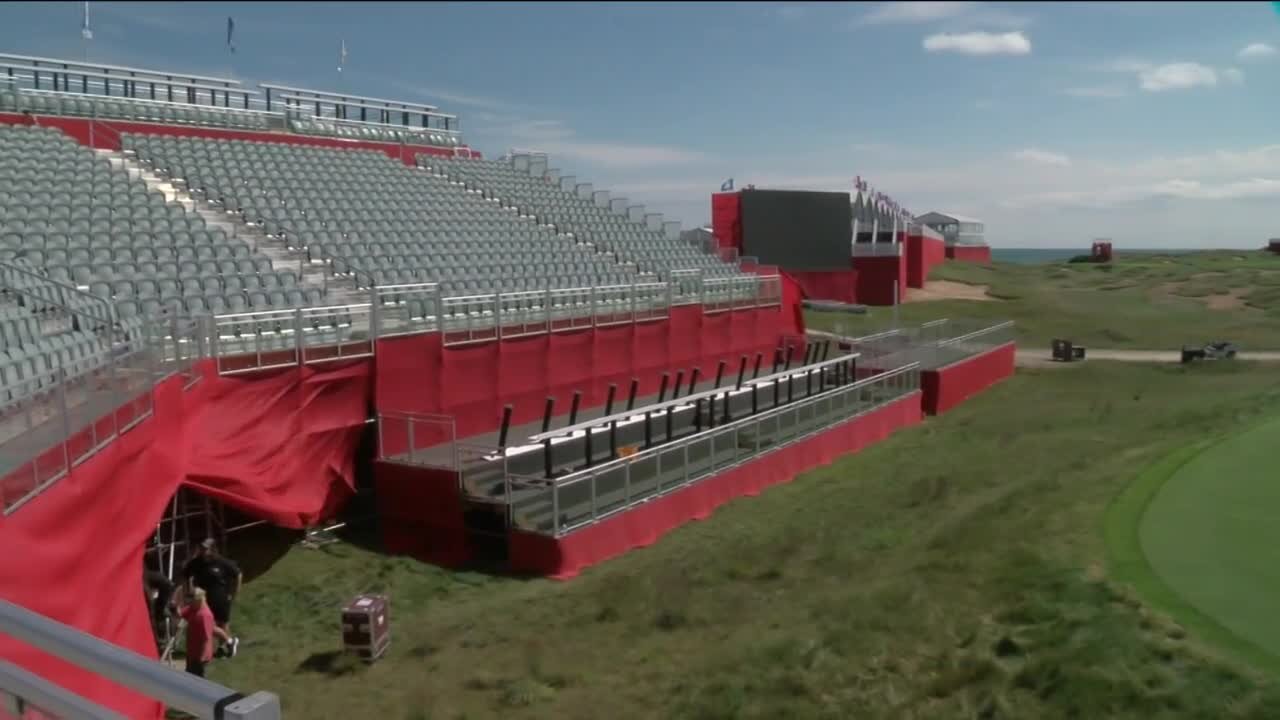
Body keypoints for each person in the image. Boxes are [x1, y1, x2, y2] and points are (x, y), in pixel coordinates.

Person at [181, 539, 241, 658]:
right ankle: (230, 641)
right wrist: (188, 591)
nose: (203, 551)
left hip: (221, 596)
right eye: (202, 548)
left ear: (212, 549)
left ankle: (222, 648)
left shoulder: (221, 562)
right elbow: (185, 575)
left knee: (223, 623)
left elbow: (238, 574)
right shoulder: (196, 563)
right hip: (203, 599)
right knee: (208, 624)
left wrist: (234, 593)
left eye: (206, 548)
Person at [179, 588, 230, 677]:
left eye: (192, 600)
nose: (189, 603)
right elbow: (181, 614)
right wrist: (174, 607)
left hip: (199, 658)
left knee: (198, 682)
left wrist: (201, 659)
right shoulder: (193, 608)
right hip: (191, 654)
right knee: (189, 679)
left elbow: (206, 639)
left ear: (198, 600)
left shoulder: (204, 616)